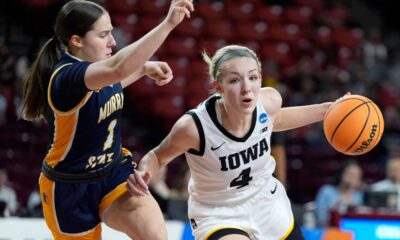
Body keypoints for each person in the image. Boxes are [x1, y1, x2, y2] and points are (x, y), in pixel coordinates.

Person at [127, 45, 342, 240]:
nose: (247, 88)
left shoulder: (269, 101)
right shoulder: (194, 127)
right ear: (218, 86)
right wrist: (145, 172)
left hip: (266, 201)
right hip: (218, 211)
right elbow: (156, 156)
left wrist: (326, 110)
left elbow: (277, 119)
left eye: (253, 77)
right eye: (235, 80)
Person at [21, 0, 194, 239]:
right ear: (76, 41)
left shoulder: (97, 72)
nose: (112, 41)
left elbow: (115, 80)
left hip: (113, 173)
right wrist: (168, 24)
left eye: (111, 32)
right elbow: (118, 69)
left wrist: (143, 68)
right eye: (103, 35)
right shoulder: (67, 77)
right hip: (70, 189)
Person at [315, 160, 364, 227]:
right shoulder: (326, 191)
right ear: (342, 174)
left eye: (357, 176)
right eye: (350, 174)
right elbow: (321, 219)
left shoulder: (359, 196)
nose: (352, 179)